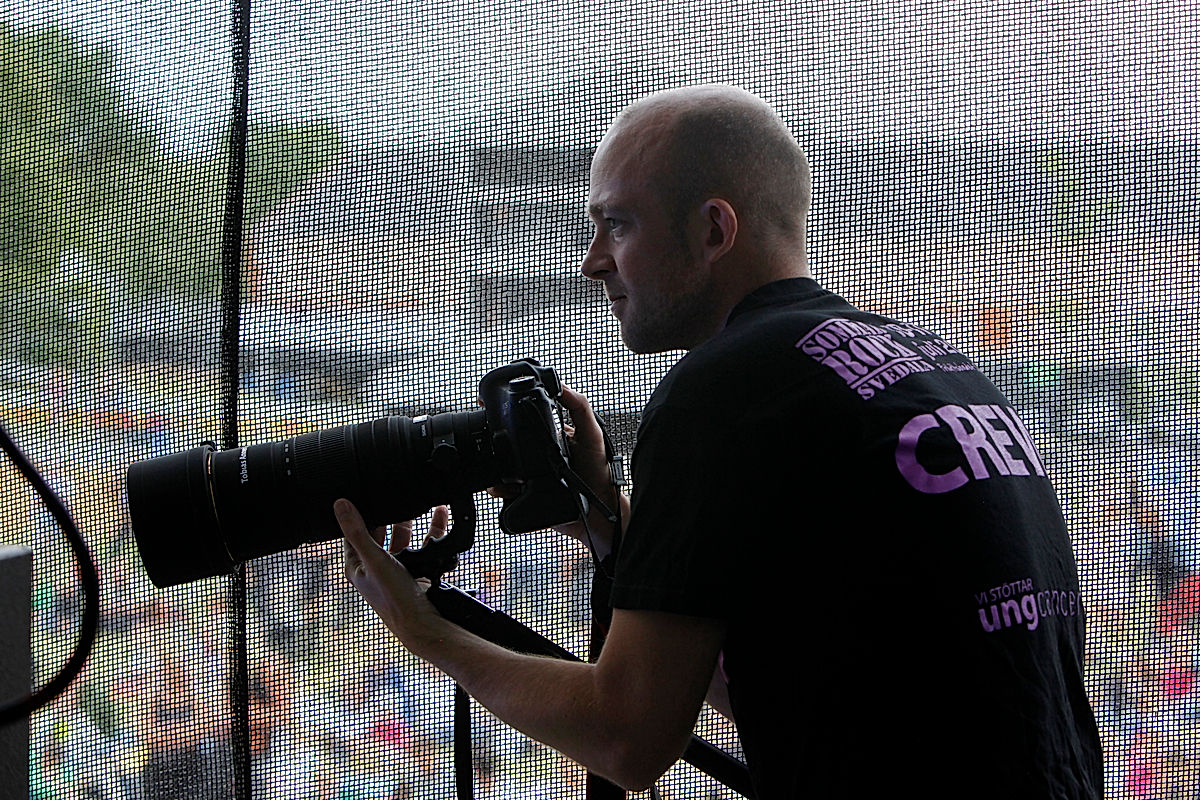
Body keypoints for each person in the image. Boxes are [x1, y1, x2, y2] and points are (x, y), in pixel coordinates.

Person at [337, 84, 1105, 797]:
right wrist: (604, 516)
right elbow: (793, 686)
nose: (591, 260)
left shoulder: (725, 388)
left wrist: (423, 628)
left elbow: (627, 739)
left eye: (618, 223)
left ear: (713, 229)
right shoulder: (935, 366)